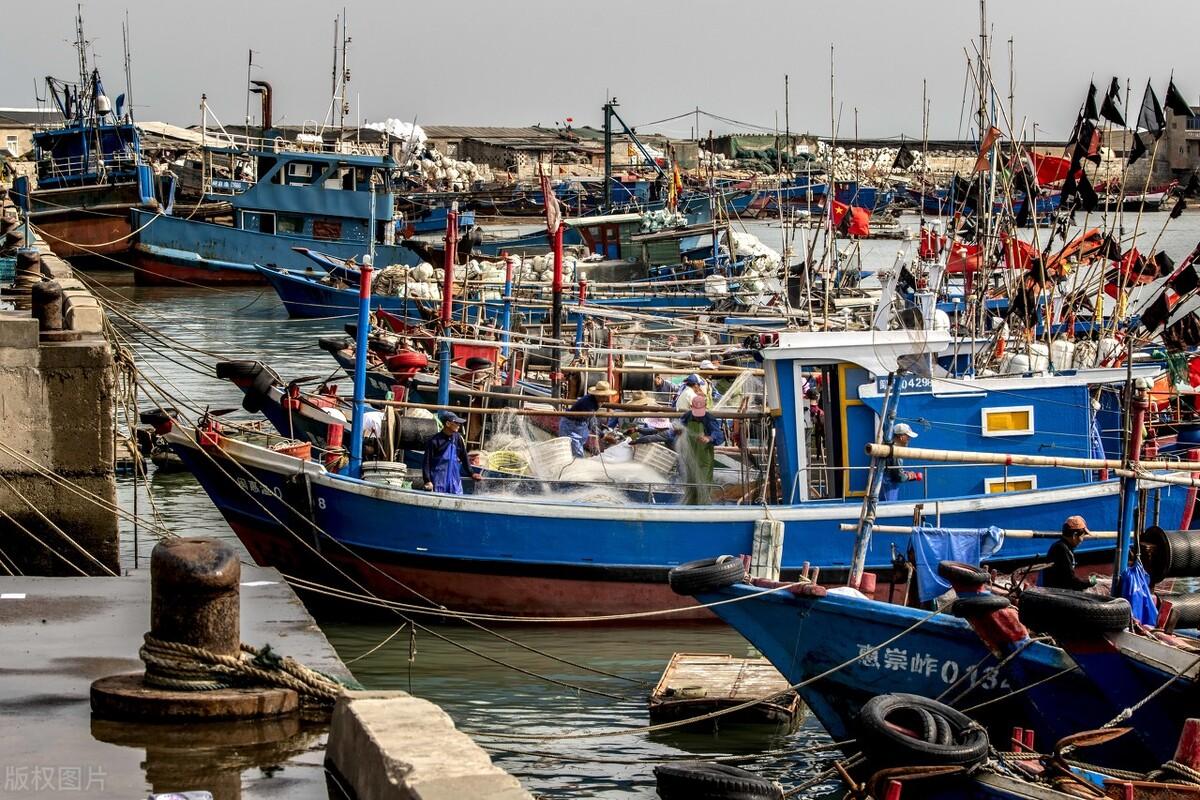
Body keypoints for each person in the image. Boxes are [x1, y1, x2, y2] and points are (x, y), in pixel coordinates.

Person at [678, 393, 725, 504]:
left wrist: (709, 438)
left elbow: (719, 435)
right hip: (689, 456)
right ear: (691, 407)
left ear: (705, 408)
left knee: (703, 484)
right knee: (690, 484)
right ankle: (689, 507)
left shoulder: (709, 419)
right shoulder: (687, 416)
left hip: (704, 459)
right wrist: (678, 431)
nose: (698, 416)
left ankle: (703, 506)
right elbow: (678, 426)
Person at [422, 411, 480, 494]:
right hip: (439, 481)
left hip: (454, 481)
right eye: (456, 423)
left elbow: (464, 457)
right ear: (448, 424)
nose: (459, 425)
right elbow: (426, 463)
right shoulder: (434, 441)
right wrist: (427, 481)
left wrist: (472, 473)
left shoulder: (457, 438)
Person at [557, 380, 616, 457]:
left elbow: (591, 420)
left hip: (580, 425)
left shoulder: (595, 401)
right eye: (604, 396)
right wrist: (603, 435)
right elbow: (591, 423)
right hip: (571, 426)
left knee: (576, 451)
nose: (607, 398)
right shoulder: (589, 404)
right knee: (577, 454)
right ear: (598, 396)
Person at [1043, 515, 1096, 590]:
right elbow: (1070, 580)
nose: (1082, 540)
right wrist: (1089, 582)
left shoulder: (1062, 546)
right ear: (1074, 535)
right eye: (1082, 536)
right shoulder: (1062, 549)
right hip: (1057, 592)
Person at [880, 422, 923, 501]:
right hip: (888, 486)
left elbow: (894, 470)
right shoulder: (896, 451)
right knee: (888, 507)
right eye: (908, 437)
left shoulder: (889, 447)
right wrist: (910, 476)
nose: (909, 439)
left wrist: (906, 473)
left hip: (883, 483)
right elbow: (899, 477)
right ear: (901, 437)